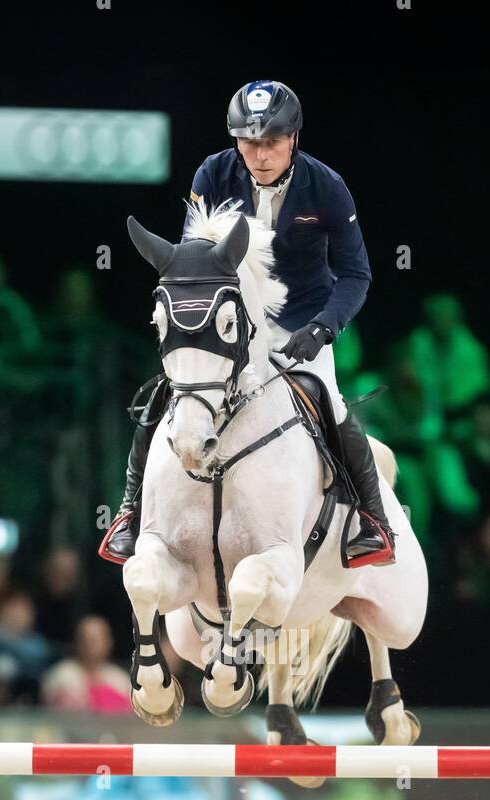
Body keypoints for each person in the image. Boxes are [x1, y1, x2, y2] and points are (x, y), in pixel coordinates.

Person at [102, 79, 393, 566]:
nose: (260, 155)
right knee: (168, 395)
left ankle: (373, 521)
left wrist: (323, 328)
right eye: (249, 141)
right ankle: (130, 514)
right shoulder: (212, 174)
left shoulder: (327, 188)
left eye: (272, 142)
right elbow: (194, 264)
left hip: (303, 324)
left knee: (331, 404)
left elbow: (356, 274)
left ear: (294, 138)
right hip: (230, 325)